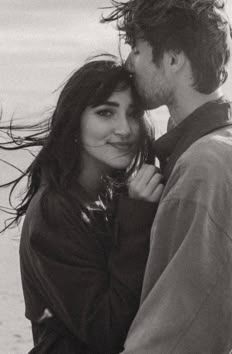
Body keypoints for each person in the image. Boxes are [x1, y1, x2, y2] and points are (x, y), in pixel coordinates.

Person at [0, 57, 164, 353]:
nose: (125, 129)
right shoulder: (54, 211)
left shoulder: (111, 198)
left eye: (133, 113)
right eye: (106, 113)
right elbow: (108, 331)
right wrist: (137, 219)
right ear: (75, 121)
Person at [102, 1, 232, 353]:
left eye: (138, 50)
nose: (129, 63)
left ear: (174, 60)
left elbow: (176, 335)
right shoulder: (220, 148)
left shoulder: (203, 167)